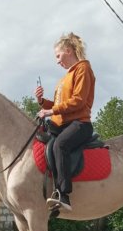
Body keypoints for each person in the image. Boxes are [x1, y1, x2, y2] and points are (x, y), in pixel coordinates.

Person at [35, 33, 95, 211]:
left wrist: (50, 111)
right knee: (47, 144)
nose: (57, 61)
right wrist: (41, 102)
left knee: (59, 145)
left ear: (68, 51)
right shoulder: (64, 78)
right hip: (63, 124)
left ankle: (64, 195)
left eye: (58, 56)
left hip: (80, 124)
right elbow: (59, 105)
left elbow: (78, 101)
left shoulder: (83, 69)